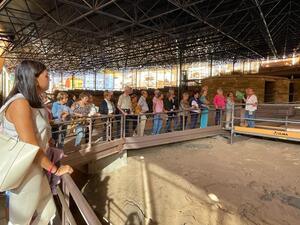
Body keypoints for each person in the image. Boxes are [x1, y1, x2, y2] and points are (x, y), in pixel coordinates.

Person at [2, 60, 73, 225]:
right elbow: (31, 146)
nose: (50, 79)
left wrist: (51, 146)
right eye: (47, 76)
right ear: (34, 79)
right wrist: (56, 170)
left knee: (46, 212)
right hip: (24, 171)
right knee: (21, 218)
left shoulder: (32, 102)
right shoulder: (20, 103)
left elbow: (40, 135)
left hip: (34, 168)